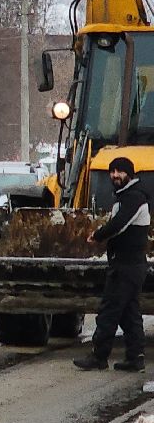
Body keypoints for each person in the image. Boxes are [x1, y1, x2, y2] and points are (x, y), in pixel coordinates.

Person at [75, 156, 149, 372]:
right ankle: (135, 358)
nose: (115, 175)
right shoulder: (126, 197)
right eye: (112, 171)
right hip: (130, 266)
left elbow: (119, 225)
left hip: (126, 266)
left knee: (109, 311)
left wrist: (97, 235)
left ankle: (99, 357)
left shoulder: (134, 197)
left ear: (130, 173)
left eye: (120, 171)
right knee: (129, 313)